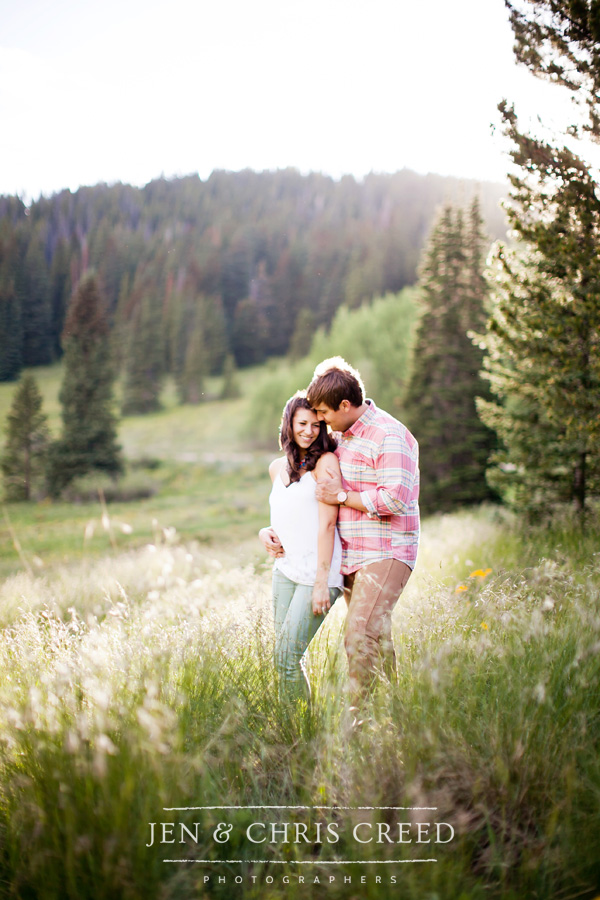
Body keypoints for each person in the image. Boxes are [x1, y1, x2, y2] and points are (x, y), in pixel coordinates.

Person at [305, 357, 420, 702]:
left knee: (359, 634)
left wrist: (342, 496)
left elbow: (396, 498)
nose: (321, 421)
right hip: (353, 556)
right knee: (377, 638)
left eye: (324, 413)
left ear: (344, 405)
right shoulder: (341, 437)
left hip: (387, 551)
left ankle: (359, 722)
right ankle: (392, 717)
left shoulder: (389, 434)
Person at [259, 391, 343, 702]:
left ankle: (304, 731)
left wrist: (322, 583)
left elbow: (327, 524)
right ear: (289, 424)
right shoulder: (276, 468)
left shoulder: (326, 463)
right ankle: (292, 728)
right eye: (302, 423)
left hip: (315, 576)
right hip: (285, 571)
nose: (309, 431)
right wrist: (263, 533)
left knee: (285, 659)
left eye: (316, 425)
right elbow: (284, 515)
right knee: (286, 660)